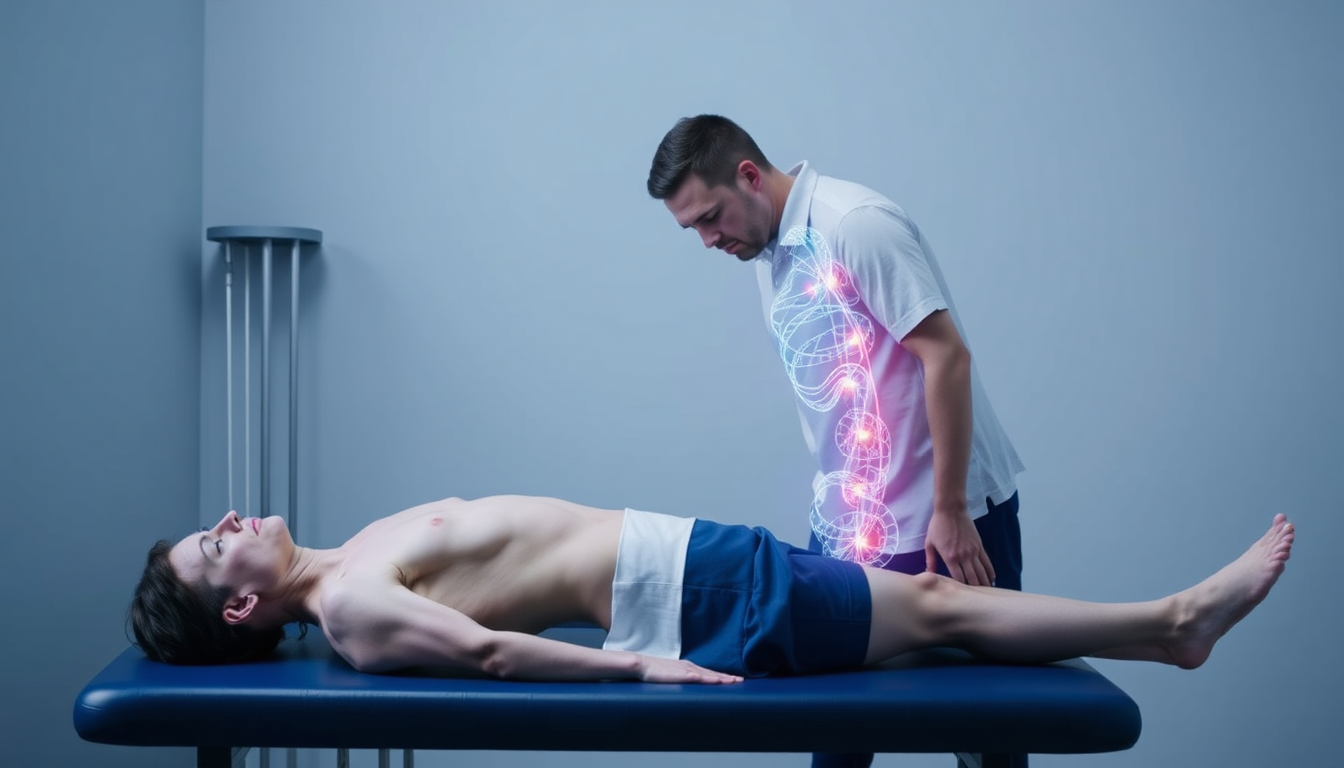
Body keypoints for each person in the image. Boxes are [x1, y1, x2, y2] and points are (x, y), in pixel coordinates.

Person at [647, 115, 1028, 766]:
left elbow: (946, 358)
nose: (708, 240)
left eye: (711, 217)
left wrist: (953, 508)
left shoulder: (855, 224)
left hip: (947, 519)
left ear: (747, 175)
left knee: (985, 728)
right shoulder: (766, 251)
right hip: (853, 530)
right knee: (836, 731)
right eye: (694, 230)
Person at [131, 496, 1293, 691]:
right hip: (691, 602)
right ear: (239, 607)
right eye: (210, 547)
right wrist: (637, 667)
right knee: (935, 611)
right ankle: (1175, 626)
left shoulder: (350, 552)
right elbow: (487, 656)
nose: (228, 523)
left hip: (687, 565)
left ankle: (1169, 627)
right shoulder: (350, 608)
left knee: (929, 618)